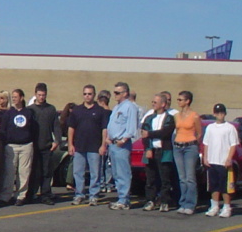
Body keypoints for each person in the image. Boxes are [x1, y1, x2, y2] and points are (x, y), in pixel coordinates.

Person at [68, 85, 108, 206]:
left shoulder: (100, 111)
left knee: (95, 173)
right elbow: (71, 128)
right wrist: (70, 144)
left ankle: (93, 195)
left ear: (94, 95)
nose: (87, 96)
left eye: (90, 94)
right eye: (85, 94)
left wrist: (103, 145)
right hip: (79, 147)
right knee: (78, 172)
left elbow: (104, 129)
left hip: (94, 148)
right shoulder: (77, 111)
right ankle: (79, 194)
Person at [104, 82, 140, 210]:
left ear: (125, 93)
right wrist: (108, 138)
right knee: (116, 173)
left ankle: (124, 199)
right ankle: (121, 197)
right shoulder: (116, 107)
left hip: (121, 144)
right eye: (114, 92)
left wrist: (124, 139)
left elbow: (131, 127)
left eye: (117, 93)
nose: (115, 95)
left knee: (123, 172)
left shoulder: (130, 107)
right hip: (112, 144)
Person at [0, 89, 36, 206]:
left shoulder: (29, 113)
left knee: (23, 173)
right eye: (13, 97)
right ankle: (5, 196)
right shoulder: (9, 113)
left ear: (22, 98)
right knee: (9, 172)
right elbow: (3, 130)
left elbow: (34, 129)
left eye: (16, 97)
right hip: (11, 146)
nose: (14, 99)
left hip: (26, 146)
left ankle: (20, 196)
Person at [140, 94, 176, 212]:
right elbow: (144, 134)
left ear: (163, 104)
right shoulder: (149, 118)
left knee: (165, 177)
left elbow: (165, 133)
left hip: (164, 151)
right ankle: (150, 200)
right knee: (150, 178)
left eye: (156, 102)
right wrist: (148, 148)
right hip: (151, 151)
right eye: (153, 101)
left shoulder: (169, 118)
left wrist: (150, 134)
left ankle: (165, 201)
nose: (153, 104)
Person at [202, 103, 239, 218]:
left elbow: (233, 145)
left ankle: (227, 207)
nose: (220, 115)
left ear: (225, 113)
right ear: (214, 114)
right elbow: (206, 143)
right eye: (217, 113)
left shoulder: (230, 128)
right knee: (213, 186)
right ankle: (214, 206)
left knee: (225, 187)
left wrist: (229, 158)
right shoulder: (210, 128)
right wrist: (205, 157)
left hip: (224, 162)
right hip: (212, 161)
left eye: (222, 113)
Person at [171, 90, 204, 215]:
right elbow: (176, 130)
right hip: (178, 146)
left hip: (190, 147)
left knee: (190, 177)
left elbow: (199, 132)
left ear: (187, 101)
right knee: (182, 178)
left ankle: (190, 204)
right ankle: (183, 202)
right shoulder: (176, 115)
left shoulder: (194, 115)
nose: (178, 102)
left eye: (180, 99)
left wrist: (194, 142)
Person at [27, 83, 60, 205]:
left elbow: (56, 126)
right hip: (33, 146)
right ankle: (31, 194)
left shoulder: (51, 109)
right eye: (39, 95)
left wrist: (57, 141)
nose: (41, 97)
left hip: (47, 147)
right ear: (35, 94)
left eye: (43, 95)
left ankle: (45, 195)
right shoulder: (30, 110)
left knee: (47, 172)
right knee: (34, 172)